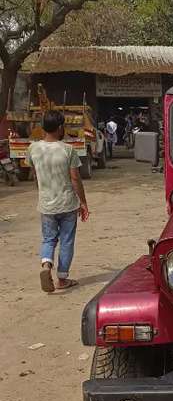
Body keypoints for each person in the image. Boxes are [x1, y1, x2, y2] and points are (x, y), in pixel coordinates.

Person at [27, 110, 89, 293]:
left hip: (46, 204)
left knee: (48, 238)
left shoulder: (33, 148)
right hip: (68, 203)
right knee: (67, 240)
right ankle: (62, 279)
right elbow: (75, 179)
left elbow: (35, 173)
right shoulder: (68, 150)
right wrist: (83, 202)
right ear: (60, 127)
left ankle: (46, 265)